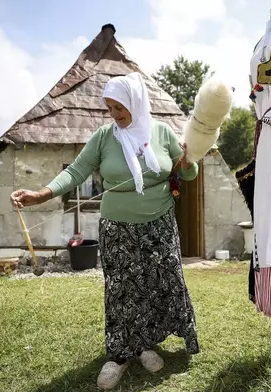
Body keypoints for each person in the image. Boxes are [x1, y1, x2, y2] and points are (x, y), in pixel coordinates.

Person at [10, 72, 200, 390]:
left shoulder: (162, 132)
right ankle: (119, 355)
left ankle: (145, 345)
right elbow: (76, 171)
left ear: (136, 104)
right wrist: (40, 194)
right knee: (122, 291)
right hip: (117, 227)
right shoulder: (104, 137)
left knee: (158, 284)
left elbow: (189, 172)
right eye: (109, 108)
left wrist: (188, 161)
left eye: (119, 107)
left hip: (161, 224)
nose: (114, 114)